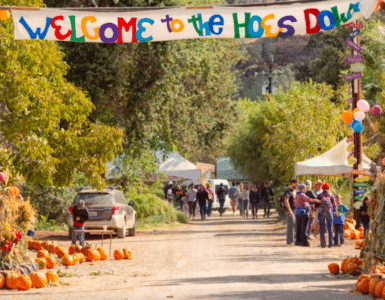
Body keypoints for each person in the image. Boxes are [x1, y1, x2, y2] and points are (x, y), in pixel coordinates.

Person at [317, 183, 336, 248]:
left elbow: (316, 204)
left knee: (322, 229)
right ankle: (331, 244)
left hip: (321, 213)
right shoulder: (331, 195)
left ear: (322, 188)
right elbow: (334, 205)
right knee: (330, 228)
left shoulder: (319, 195)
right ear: (328, 188)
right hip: (329, 213)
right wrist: (334, 212)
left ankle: (323, 244)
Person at [283, 179, 298, 245]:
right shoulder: (288, 191)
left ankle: (293, 239)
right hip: (290, 210)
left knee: (294, 224)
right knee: (290, 225)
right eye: (296, 183)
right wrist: (289, 210)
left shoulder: (294, 191)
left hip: (295, 210)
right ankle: (289, 240)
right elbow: (286, 200)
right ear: (292, 183)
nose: (297, 185)